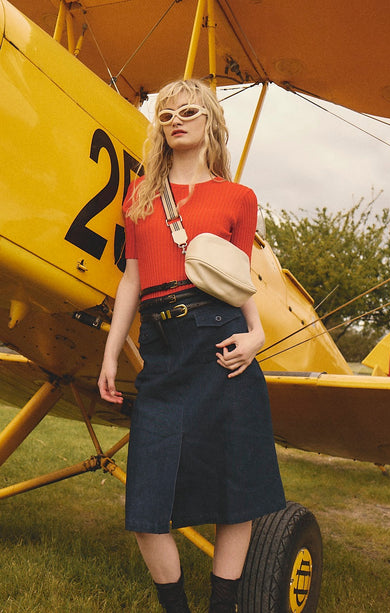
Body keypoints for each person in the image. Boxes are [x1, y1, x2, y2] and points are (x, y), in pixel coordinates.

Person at [98, 79, 285, 613]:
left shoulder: (238, 197)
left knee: (238, 492)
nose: (175, 119)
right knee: (146, 506)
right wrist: (113, 352)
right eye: (165, 114)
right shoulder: (139, 196)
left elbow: (238, 276)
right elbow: (132, 278)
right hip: (160, 347)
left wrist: (257, 335)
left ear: (209, 121)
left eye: (187, 111)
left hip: (219, 339)